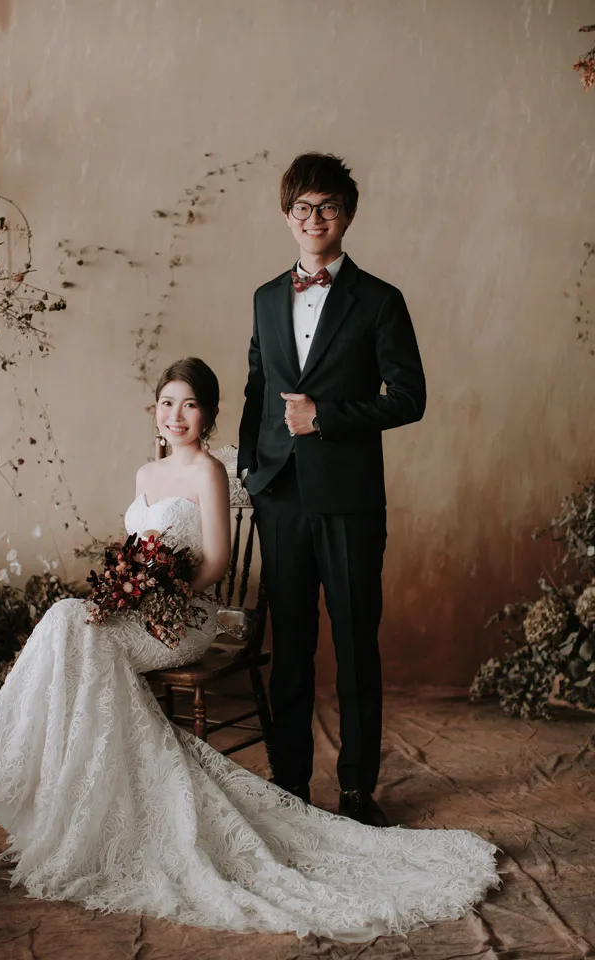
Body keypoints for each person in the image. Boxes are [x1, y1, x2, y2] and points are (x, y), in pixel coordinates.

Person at [0, 358, 497, 940]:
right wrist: (128, 590)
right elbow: (135, 552)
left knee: (72, 627)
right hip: (143, 611)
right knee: (69, 621)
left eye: (190, 405)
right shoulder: (145, 473)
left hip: (186, 616)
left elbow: (218, 561)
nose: (176, 416)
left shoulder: (209, 472)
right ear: (155, 410)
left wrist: (164, 595)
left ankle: (34, 779)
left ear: (207, 415)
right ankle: (76, 801)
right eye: (167, 403)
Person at [238, 152, 427, 827]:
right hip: (280, 496)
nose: (314, 218)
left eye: (327, 207)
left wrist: (326, 417)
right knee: (290, 648)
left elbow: (409, 397)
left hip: (349, 500)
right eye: (302, 208)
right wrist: (250, 468)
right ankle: (290, 784)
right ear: (287, 215)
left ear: (346, 215)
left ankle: (355, 789)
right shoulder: (265, 298)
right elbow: (258, 387)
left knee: (353, 645)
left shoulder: (380, 300)